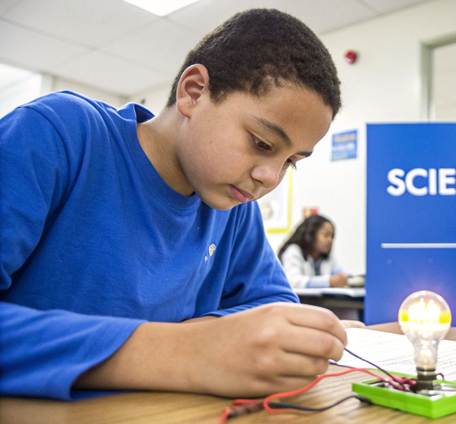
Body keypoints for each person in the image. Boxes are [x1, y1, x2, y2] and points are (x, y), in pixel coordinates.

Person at [0, 9, 349, 400]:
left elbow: (275, 307)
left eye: (290, 162)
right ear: (194, 92)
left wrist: (219, 343)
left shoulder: (233, 207)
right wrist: (180, 351)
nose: (270, 177)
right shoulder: (59, 134)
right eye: (262, 143)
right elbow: (194, 348)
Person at [278, 215, 349, 288]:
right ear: (310, 235)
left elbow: (341, 275)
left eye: (332, 236)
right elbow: (294, 281)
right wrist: (328, 281)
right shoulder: (293, 251)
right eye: (326, 235)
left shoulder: (327, 257)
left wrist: (345, 279)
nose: (330, 240)